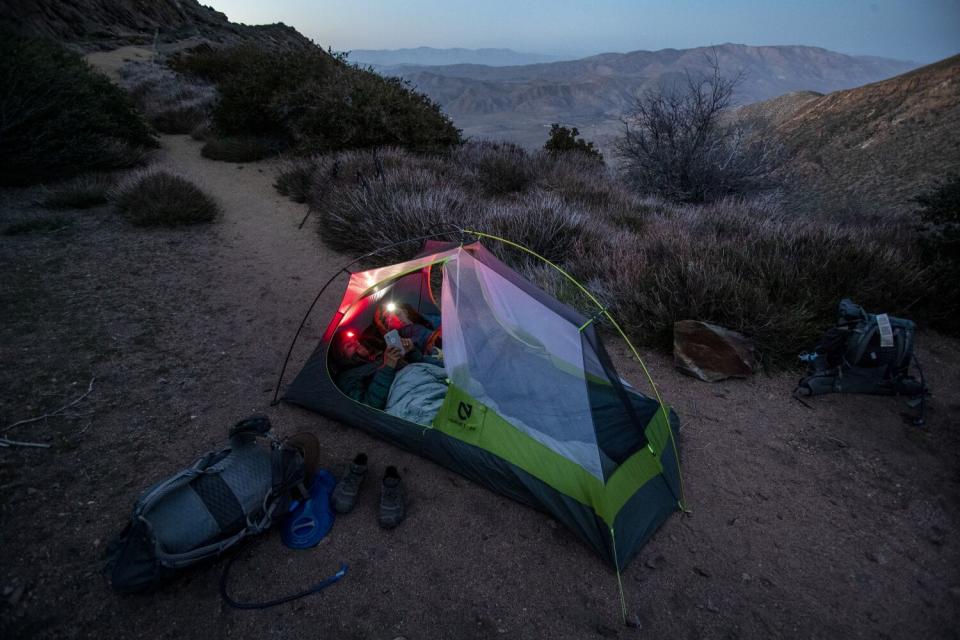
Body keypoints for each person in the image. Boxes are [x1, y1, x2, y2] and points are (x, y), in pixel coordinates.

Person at [333, 325, 441, 410]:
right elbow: (368, 406)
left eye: (355, 340)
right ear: (341, 356)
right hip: (410, 397)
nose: (356, 344)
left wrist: (411, 352)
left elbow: (421, 364)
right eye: (349, 345)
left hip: (426, 378)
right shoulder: (347, 377)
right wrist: (387, 367)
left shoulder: (378, 357)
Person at [375, 302, 440, 354]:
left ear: (405, 312)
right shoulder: (400, 339)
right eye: (390, 318)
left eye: (397, 314)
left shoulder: (426, 319)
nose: (397, 318)